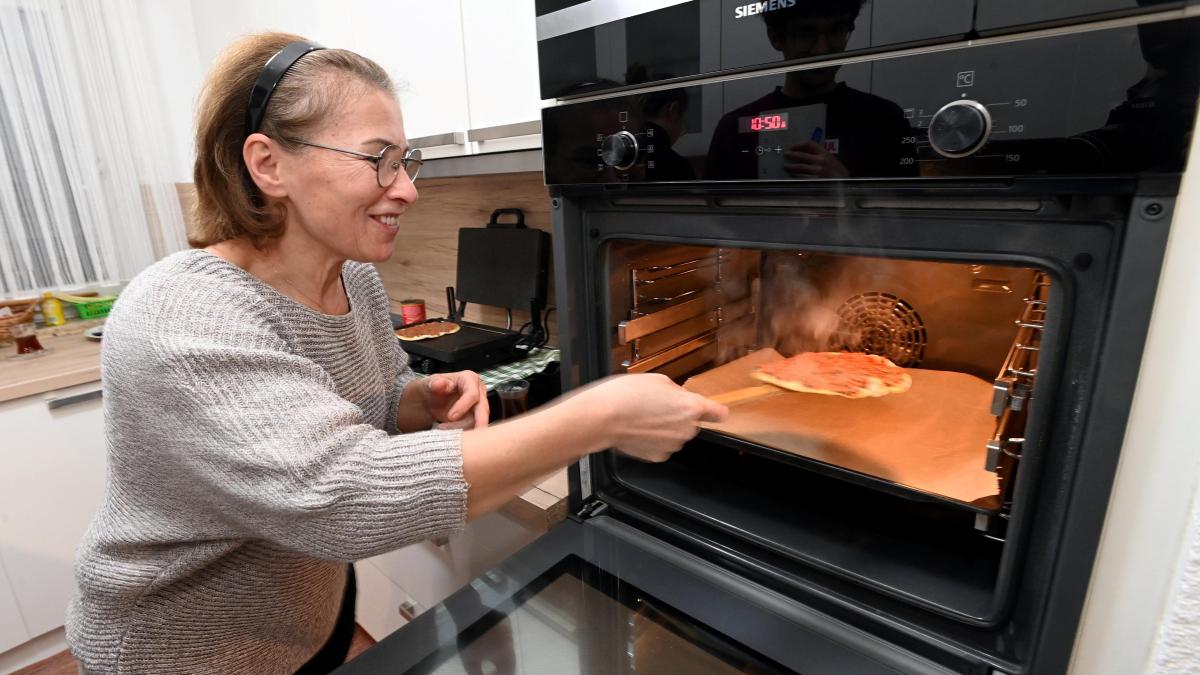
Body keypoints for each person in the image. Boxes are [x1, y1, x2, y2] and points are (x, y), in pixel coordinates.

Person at [65, 32, 727, 674]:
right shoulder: (181, 318)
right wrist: (600, 418)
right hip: (177, 652)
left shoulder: (349, 273)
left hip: (304, 621)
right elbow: (341, 497)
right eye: (378, 158)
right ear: (268, 163)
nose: (407, 188)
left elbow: (373, 396)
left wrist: (413, 401)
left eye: (406, 160)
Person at [703, 0, 916, 180]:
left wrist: (848, 190)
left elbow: (909, 220)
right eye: (806, 32)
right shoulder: (732, 129)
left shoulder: (885, 119)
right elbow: (710, 221)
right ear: (776, 38)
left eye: (836, 30)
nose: (822, 49)